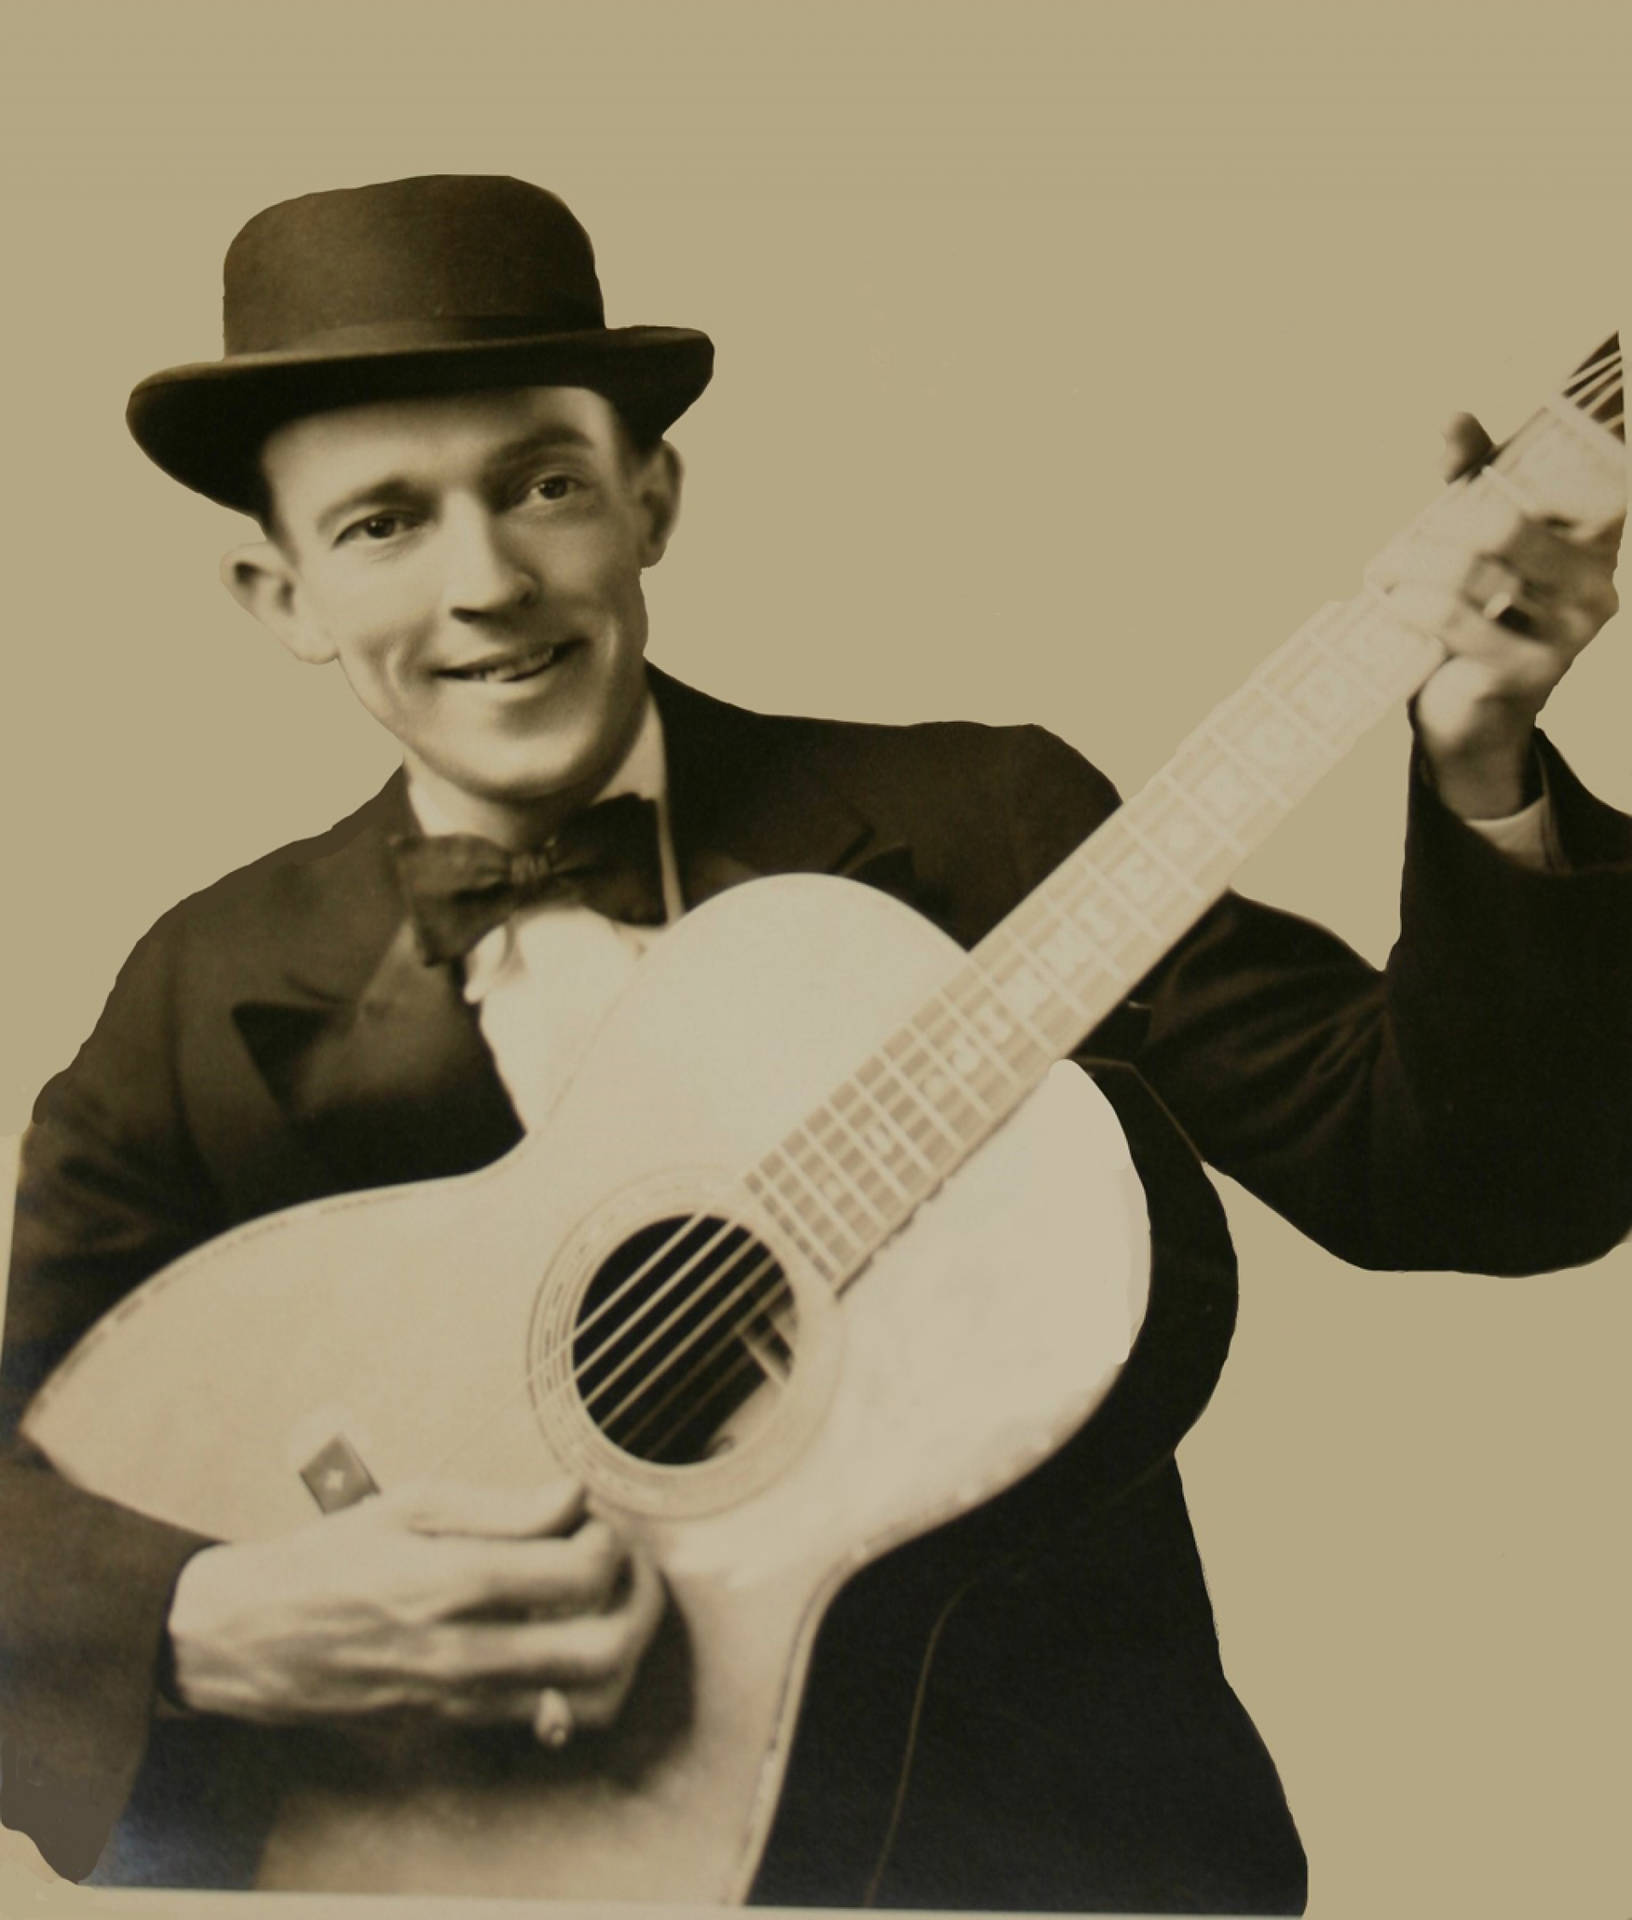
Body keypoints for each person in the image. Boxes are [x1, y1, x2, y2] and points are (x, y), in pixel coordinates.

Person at [1, 174, 1626, 1914]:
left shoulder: (982, 825)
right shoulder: (202, 992)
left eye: (544, 485)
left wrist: (1482, 761)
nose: (485, 582)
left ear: (652, 499)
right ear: (281, 593)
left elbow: (1479, 1183)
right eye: (384, 523)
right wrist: (204, 1618)